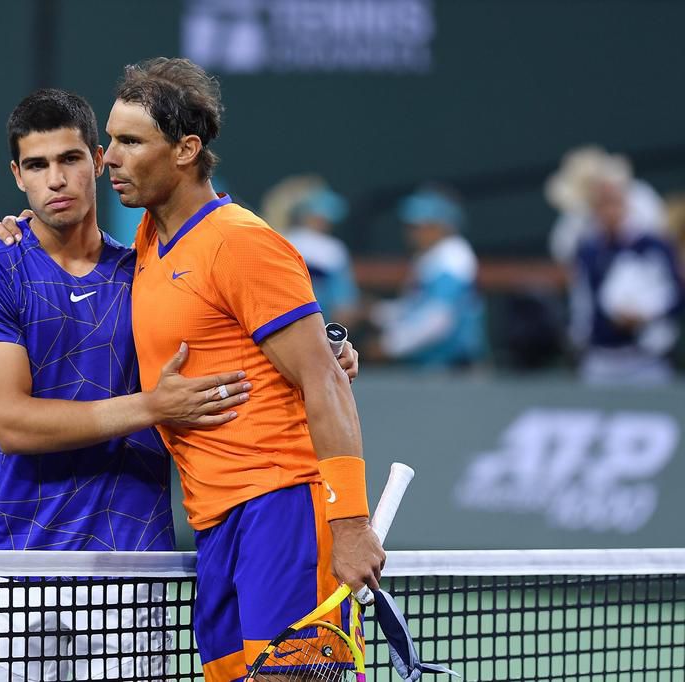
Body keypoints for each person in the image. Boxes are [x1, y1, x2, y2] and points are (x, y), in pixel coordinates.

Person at [105, 57, 381, 681]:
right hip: (217, 522)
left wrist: (352, 524)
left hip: (283, 509)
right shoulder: (151, 238)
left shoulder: (240, 241)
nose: (109, 158)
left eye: (130, 142)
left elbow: (325, 382)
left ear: (186, 149)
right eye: (110, 141)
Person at [567, 162, 684, 385]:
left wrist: (645, 315)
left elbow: (675, 296)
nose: (609, 211)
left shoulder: (652, 246)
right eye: (602, 204)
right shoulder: (588, 250)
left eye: (614, 202)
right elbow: (582, 303)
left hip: (646, 361)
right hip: (600, 361)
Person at [367, 186, 485, 369]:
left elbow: (437, 319)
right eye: (411, 227)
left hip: (454, 369)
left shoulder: (453, 258)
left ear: (442, 226)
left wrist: (389, 345)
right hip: (430, 367)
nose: (412, 233)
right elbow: (413, 307)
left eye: (421, 227)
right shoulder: (429, 257)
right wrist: (374, 312)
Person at [261, 175, 359, 325]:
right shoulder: (332, 248)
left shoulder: (278, 240)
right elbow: (345, 307)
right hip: (316, 325)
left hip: (276, 323)